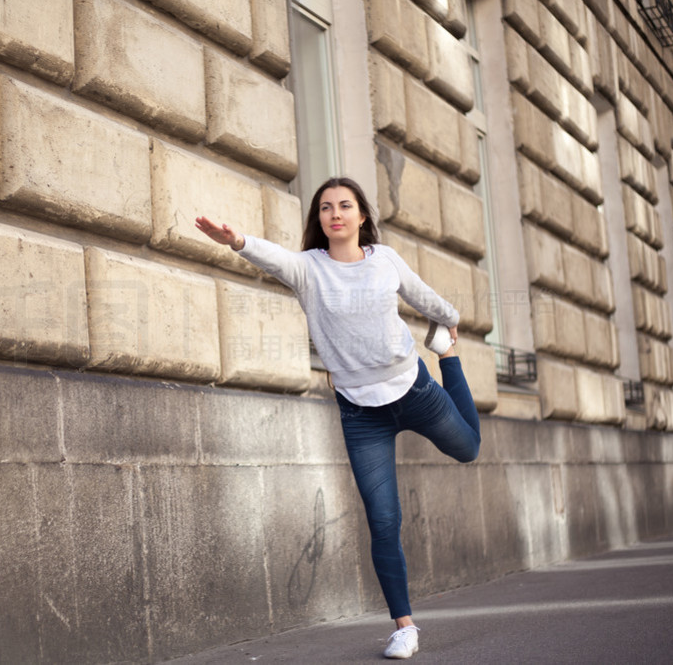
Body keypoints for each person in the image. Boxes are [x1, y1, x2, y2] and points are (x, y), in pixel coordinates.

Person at [195, 177, 481, 660]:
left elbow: (424, 297)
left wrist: (449, 320)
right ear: (320, 219)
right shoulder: (309, 269)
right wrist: (237, 241)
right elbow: (274, 257)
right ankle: (404, 627)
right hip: (359, 412)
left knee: (469, 449)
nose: (335, 214)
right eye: (326, 208)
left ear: (361, 216)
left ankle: (449, 362)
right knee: (383, 520)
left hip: (413, 389)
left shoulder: (385, 259)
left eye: (345, 206)